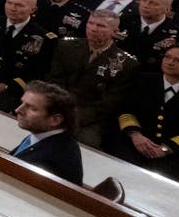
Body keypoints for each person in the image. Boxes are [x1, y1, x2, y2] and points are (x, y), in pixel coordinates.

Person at [109, 45, 179, 184]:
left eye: (178, 60)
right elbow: (125, 110)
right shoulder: (144, 80)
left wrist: (166, 149)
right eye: (167, 57)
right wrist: (135, 135)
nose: (170, 62)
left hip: (174, 154)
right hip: (134, 143)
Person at [44, 9, 138, 146]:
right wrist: (58, 109)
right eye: (90, 23)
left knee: (85, 142)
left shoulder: (127, 64)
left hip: (90, 119)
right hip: (57, 104)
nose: (93, 29)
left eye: (100, 26)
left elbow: (107, 104)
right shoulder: (66, 46)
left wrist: (70, 118)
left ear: (115, 31)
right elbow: (54, 80)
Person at [9, 81, 84, 185]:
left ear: (55, 120)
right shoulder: (42, 137)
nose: (18, 110)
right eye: (22, 103)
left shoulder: (52, 159)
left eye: (32, 108)